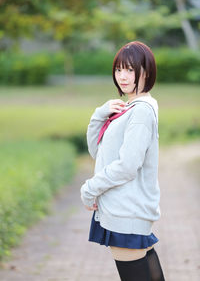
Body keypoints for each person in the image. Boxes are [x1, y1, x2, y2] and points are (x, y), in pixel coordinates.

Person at [80, 41, 165, 281]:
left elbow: (127, 167)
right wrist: (100, 114)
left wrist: (89, 189)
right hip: (127, 210)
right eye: (119, 69)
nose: (122, 76)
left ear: (146, 72)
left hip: (126, 212)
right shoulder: (132, 108)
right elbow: (99, 153)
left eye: (130, 69)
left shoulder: (140, 112)